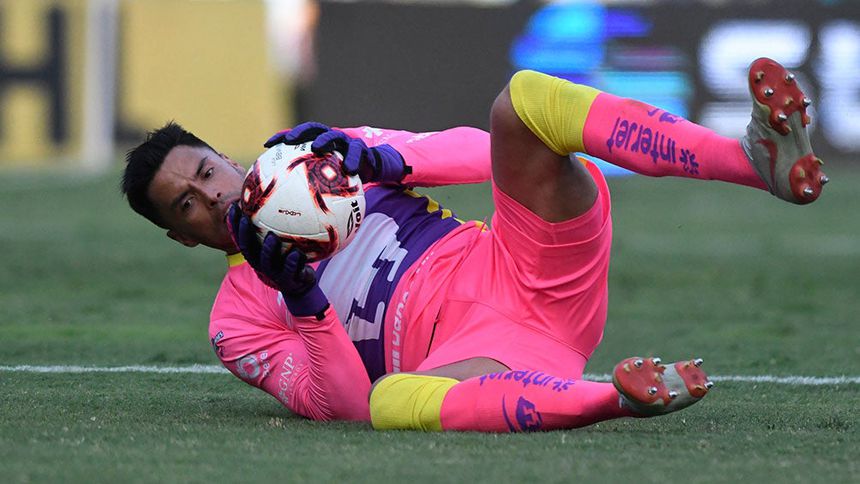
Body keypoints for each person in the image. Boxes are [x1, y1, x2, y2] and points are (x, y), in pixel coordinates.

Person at [122, 57, 825, 431]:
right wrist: (303, 299)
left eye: (206, 172)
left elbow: (480, 152)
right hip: (482, 359)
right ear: (180, 237)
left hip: (525, 266)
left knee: (521, 102)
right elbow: (343, 403)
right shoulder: (236, 322)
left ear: (225, 158)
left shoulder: (319, 161)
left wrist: (381, 159)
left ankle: (752, 160)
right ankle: (612, 398)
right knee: (393, 404)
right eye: (187, 204)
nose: (212, 197)